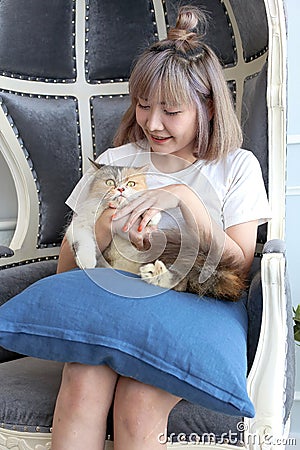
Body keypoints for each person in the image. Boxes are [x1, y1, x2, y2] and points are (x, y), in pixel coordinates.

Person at [51, 5, 271, 450]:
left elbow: (239, 266)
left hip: (197, 309)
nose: (152, 123)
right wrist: (103, 229)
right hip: (116, 300)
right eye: (143, 106)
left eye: (170, 111)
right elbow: (65, 273)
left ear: (206, 105)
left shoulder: (235, 168)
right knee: (82, 383)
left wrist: (185, 199)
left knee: (139, 398)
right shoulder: (116, 164)